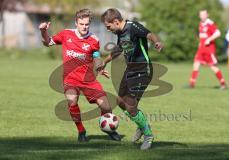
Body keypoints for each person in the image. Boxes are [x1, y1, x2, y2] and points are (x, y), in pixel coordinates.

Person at [39, 9, 121, 142]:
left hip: (88, 80)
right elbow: (47, 42)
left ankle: (109, 128)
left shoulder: (94, 40)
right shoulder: (66, 34)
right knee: (72, 101)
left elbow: (96, 56)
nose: (84, 27)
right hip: (70, 79)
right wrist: (43, 31)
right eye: (82, 24)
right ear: (76, 23)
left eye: (87, 24)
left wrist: (99, 66)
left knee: (106, 106)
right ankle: (81, 131)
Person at [100, 8, 163, 150]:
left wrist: (157, 42)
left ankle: (148, 134)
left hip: (142, 70)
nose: (108, 29)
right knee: (120, 101)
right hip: (130, 70)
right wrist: (104, 62)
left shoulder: (133, 27)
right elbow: (118, 50)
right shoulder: (120, 32)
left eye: (108, 26)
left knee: (130, 105)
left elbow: (149, 34)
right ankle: (142, 125)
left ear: (116, 22)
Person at [189, 10, 227, 89]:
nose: (202, 16)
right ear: (199, 16)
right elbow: (202, 36)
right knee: (196, 64)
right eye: (201, 15)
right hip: (201, 49)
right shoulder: (200, 24)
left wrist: (209, 39)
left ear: (207, 15)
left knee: (213, 67)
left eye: (204, 14)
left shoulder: (210, 23)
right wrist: (200, 44)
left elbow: (218, 33)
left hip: (209, 49)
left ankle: (223, 83)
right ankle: (192, 84)